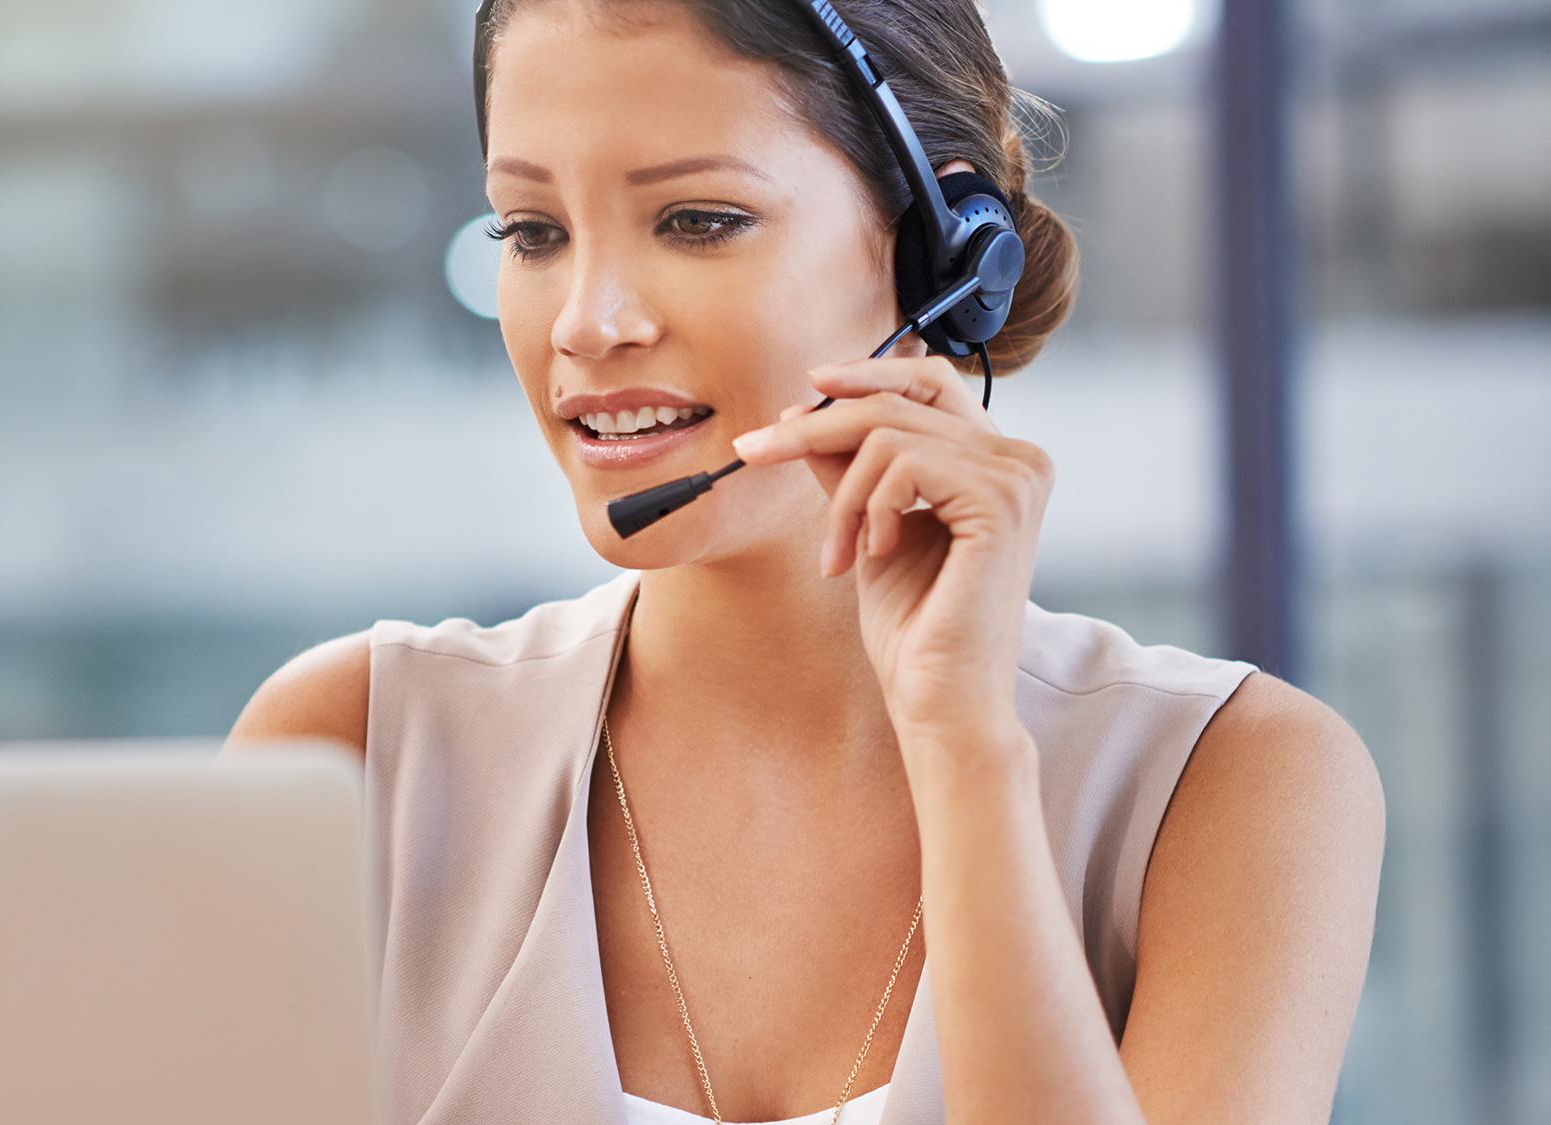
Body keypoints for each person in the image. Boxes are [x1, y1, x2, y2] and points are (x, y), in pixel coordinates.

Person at [229, 1, 1385, 1122]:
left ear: (940, 253)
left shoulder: (1233, 783)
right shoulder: (347, 754)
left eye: (695, 219)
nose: (587, 322)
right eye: (533, 232)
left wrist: (963, 747)